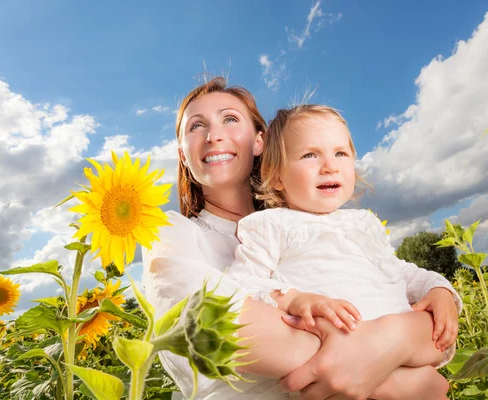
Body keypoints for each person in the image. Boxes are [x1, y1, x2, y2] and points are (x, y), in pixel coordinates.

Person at [142, 77, 454, 400]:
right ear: (182, 154)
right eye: (196, 126)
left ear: (260, 141)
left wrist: (406, 326)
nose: (214, 135)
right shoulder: (171, 232)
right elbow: (210, 327)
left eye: (230, 119)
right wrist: (398, 376)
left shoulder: (320, 224)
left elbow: (411, 298)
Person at [225, 105, 461, 373]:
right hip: (338, 359)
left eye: (340, 153)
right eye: (309, 155)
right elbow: (239, 283)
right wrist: (294, 299)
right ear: (276, 175)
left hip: (401, 354)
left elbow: (397, 271)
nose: (330, 166)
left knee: (435, 338)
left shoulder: (363, 223)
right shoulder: (271, 224)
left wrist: (437, 289)